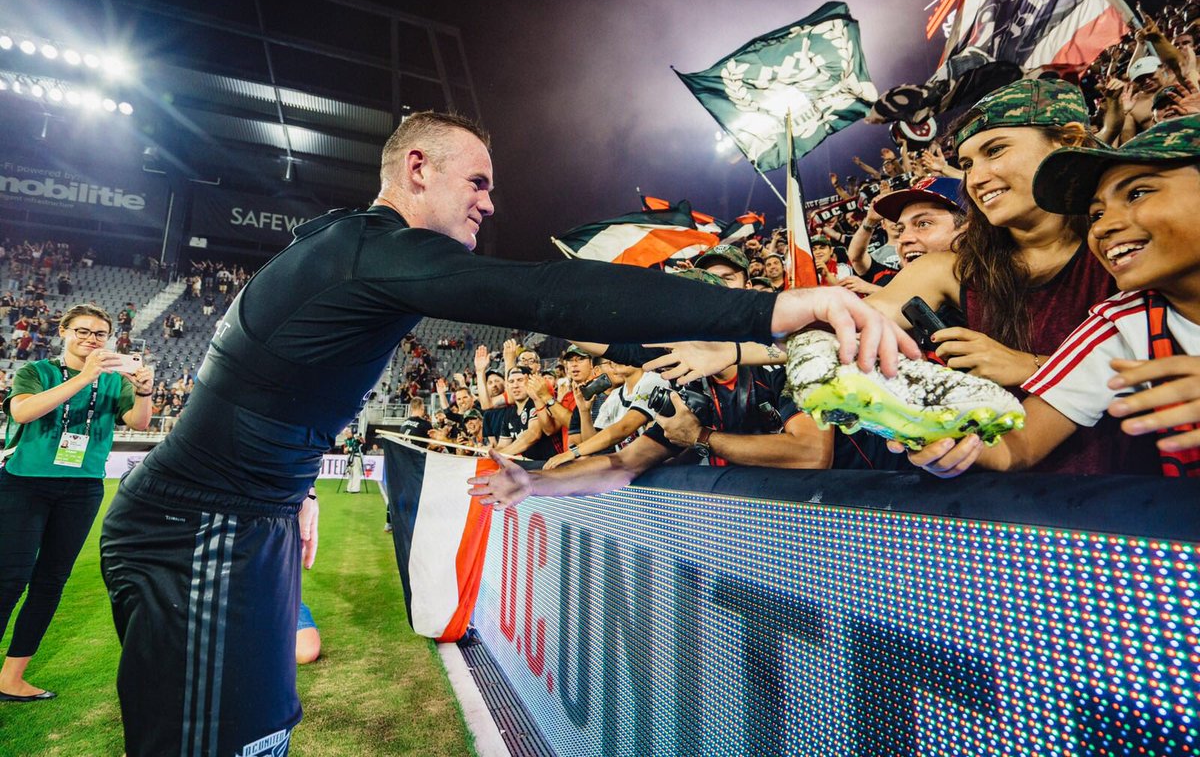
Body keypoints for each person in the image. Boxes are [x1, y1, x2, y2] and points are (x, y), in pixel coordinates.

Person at [98, 110, 914, 756]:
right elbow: (548, 295)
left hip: (241, 513)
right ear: (417, 169)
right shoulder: (371, 251)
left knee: (260, 729)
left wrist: (298, 484)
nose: (490, 203)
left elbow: (267, 372)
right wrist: (777, 308)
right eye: (478, 181)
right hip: (204, 524)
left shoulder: (349, 249)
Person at [865, 78, 1158, 475]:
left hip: (1144, 494)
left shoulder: (1130, 251)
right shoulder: (953, 267)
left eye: (995, 150)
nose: (976, 178)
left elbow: (1172, 371)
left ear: (1068, 141)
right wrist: (943, 442)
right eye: (967, 164)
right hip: (1015, 495)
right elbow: (856, 321)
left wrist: (1031, 366)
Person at [902, 114, 1200, 478]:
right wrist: (937, 434)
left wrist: (1026, 365)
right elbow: (1020, 445)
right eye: (1096, 213)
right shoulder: (1122, 323)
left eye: (1137, 193)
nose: (1104, 226)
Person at [0, 304, 153, 701]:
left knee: (51, 582)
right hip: (24, 483)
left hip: (82, 488)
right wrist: (85, 377)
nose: (91, 339)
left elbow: (139, 422)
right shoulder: (36, 371)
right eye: (82, 331)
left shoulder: (114, 380)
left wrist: (143, 390)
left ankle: (12, 678)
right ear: (63, 332)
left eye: (100, 334)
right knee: (9, 578)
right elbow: (23, 411)